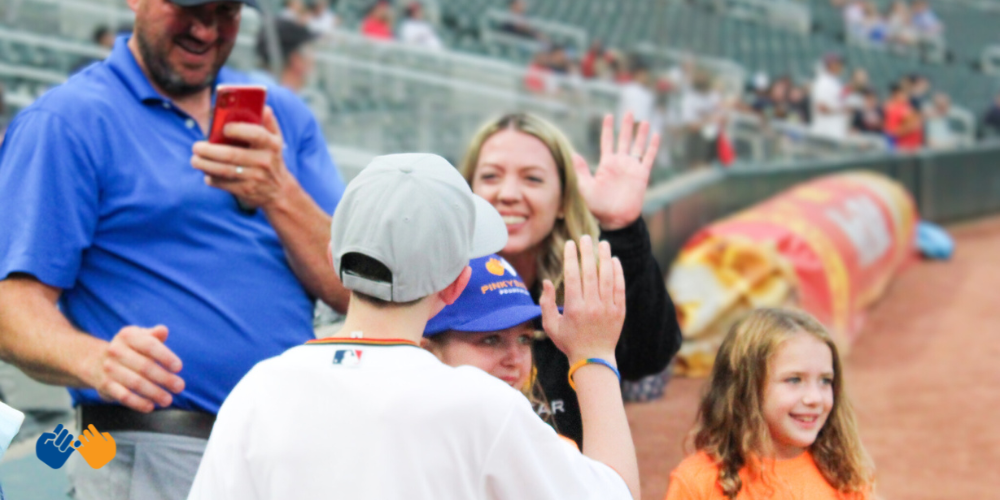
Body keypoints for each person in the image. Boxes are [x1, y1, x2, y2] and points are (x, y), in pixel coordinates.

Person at [0, 0, 348, 496]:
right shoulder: (68, 120)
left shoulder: (282, 114)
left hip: (288, 454)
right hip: (149, 448)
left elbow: (353, 287)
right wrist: (95, 360)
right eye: (188, 8)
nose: (205, 30)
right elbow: (12, 311)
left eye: (225, 12)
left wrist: (279, 192)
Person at [187, 153, 642, 500]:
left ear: (335, 260)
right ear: (456, 282)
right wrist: (594, 356)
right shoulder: (481, 405)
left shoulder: (260, 388)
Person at [459, 112, 682, 446]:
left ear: (563, 200)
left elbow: (647, 357)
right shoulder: (440, 289)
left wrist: (622, 228)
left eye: (532, 179)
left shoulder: (583, 285)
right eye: (490, 176)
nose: (507, 193)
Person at [663, 308, 875, 499]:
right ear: (746, 388)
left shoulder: (845, 475)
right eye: (794, 379)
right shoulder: (697, 482)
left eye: (825, 381)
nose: (815, 398)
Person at [422, 254, 557, 422]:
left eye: (524, 339)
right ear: (427, 352)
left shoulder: (544, 441)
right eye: (491, 340)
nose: (514, 359)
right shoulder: (403, 438)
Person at [252, 18, 317, 93]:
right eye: (310, 50)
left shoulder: (247, 84)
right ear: (296, 59)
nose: (313, 58)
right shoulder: (286, 99)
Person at [810, 53, 848, 139]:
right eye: (838, 63)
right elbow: (821, 107)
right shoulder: (822, 81)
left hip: (834, 134)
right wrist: (843, 109)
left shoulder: (836, 82)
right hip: (824, 134)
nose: (841, 66)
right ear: (830, 64)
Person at [883, 81, 924, 151]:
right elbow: (891, 132)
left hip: (915, 146)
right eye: (903, 93)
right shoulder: (892, 109)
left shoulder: (908, 106)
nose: (906, 95)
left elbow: (918, 121)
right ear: (896, 94)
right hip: (902, 148)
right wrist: (911, 126)